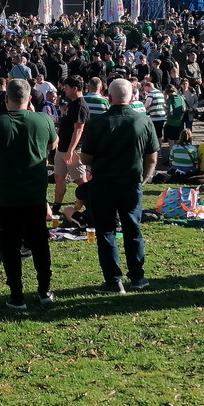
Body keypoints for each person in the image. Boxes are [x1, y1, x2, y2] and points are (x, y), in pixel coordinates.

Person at [0, 79, 58, 310]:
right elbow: (53, 144)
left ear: (5, 98)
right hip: (35, 196)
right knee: (40, 243)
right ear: (29, 98)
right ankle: (45, 291)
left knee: (10, 246)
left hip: (6, 196)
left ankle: (17, 296)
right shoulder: (43, 120)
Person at [80, 78, 160, 295]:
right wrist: (143, 179)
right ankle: (138, 277)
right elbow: (152, 158)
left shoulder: (97, 123)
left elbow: (85, 157)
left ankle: (114, 281)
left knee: (106, 231)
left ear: (109, 97)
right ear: (132, 97)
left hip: (103, 183)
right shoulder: (144, 121)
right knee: (133, 229)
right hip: (131, 183)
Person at [53, 76, 89, 214]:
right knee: (59, 177)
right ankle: (56, 207)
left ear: (75, 88)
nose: (64, 89)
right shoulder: (72, 103)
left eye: (67, 87)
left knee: (80, 180)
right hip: (62, 148)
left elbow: (78, 130)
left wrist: (71, 150)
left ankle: (92, 206)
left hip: (73, 150)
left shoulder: (80, 105)